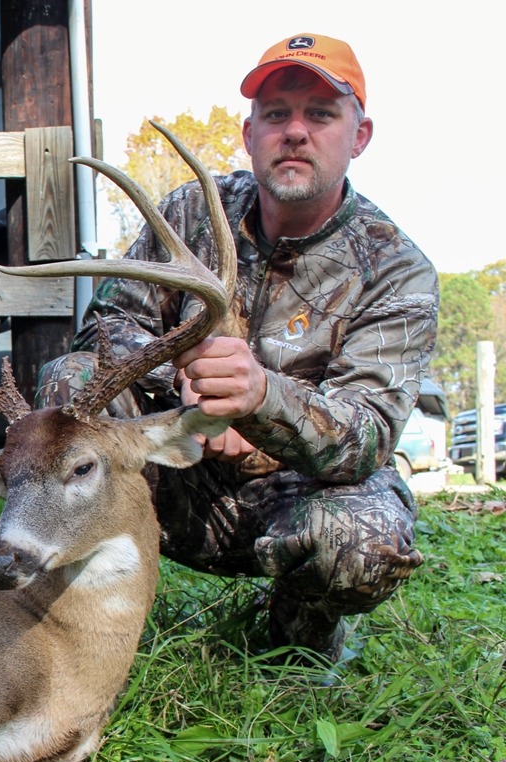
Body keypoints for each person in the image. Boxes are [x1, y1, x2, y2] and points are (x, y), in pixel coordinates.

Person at [35, 34, 438, 662]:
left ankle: (299, 638)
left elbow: (369, 434)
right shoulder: (191, 210)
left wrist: (260, 399)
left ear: (359, 137)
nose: (296, 132)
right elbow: (104, 328)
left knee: (366, 540)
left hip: (296, 499)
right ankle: (74, 622)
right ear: (250, 134)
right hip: (174, 472)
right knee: (70, 380)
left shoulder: (396, 268)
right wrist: (185, 379)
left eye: (321, 114)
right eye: (277, 114)